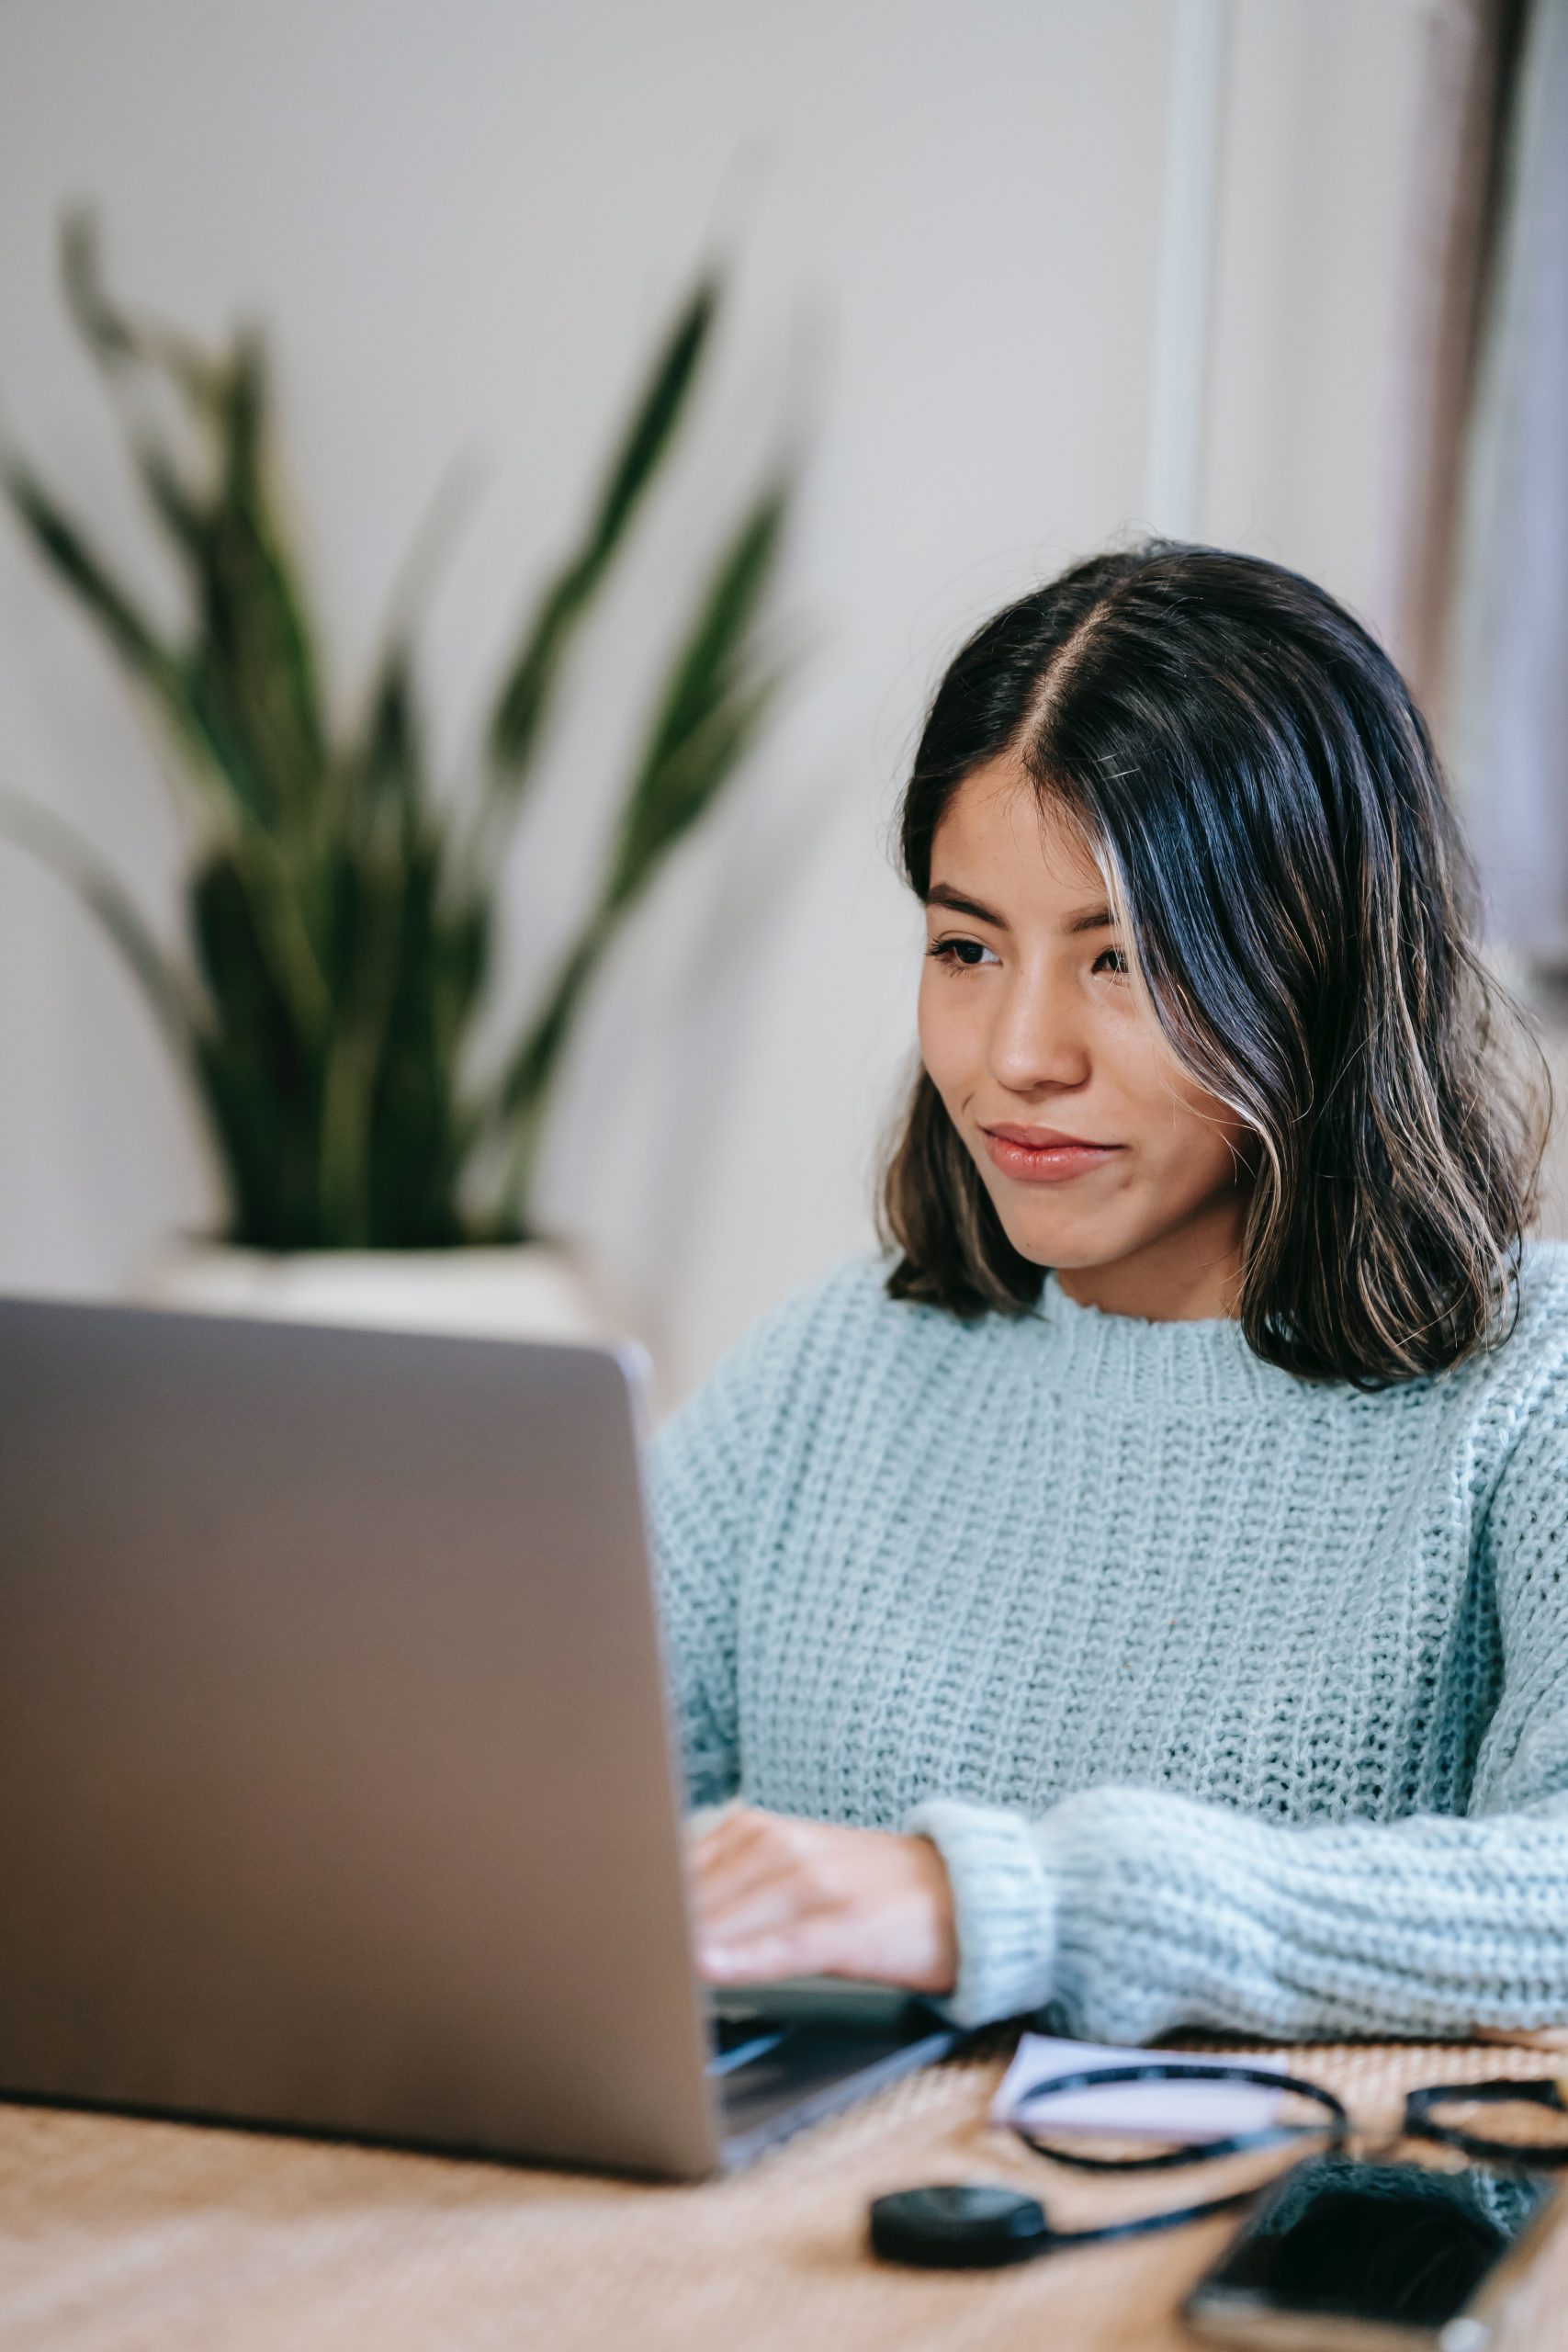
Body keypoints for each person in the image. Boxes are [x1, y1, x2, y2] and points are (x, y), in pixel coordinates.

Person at [654, 543, 1568, 2042]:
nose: (1019, 1053)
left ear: (1326, 966)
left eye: (1124, 959)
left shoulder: (1531, 1392)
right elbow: (541, 1808)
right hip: (789, 2242)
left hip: (1250, 2254)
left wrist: (1000, 1906)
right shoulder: (831, 1367)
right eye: (965, 946)